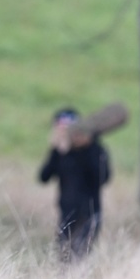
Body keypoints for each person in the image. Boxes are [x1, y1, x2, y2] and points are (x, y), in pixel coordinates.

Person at [38, 108, 110, 262]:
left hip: (91, 212)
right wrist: (57, 151)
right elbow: (44, 177)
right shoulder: (60, 151)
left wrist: (86, 147)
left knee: (81, 255)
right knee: (64, 256)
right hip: (66, 213)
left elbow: (103, 177)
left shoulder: (95, 149)